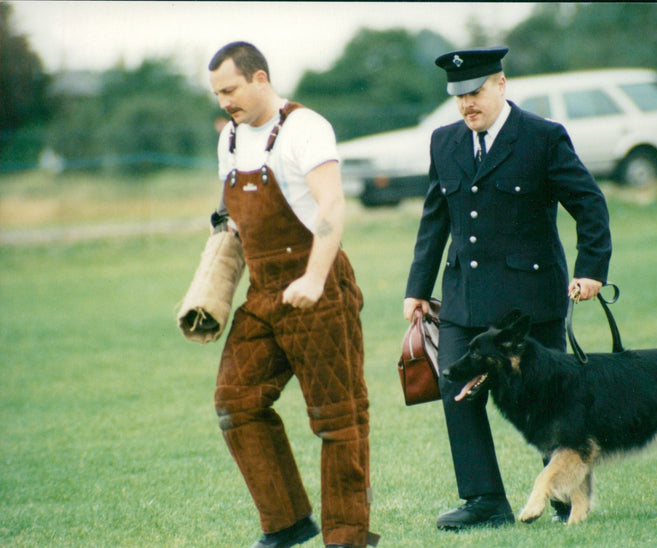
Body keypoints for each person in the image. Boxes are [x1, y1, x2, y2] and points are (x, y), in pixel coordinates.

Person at [403, 46, 612, 530]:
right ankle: (484, 501)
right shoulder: (444, 141)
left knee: (547, 399)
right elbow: (436, 219)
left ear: (501, 84)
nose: (466, 104)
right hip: (463, 298)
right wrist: (418, 286)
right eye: (458, 96)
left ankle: (562, 494)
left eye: (474, 92)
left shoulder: (542, 137)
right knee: (457, 388)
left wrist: (592, 269)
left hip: (528, 303)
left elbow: (589, 204)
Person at [207, 42, 378, 548]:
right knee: (235, 401)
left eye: (230, 90)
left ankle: (346, 537)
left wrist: (314, 277)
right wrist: (209, 293)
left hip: (318, 291)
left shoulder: (305, 128)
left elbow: (331, 203)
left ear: (260, 78)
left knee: (338, 416)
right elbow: (234, 222)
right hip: (262, 294)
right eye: (217, 93)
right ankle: (286, 522)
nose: (224, 102)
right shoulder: (231, 138)